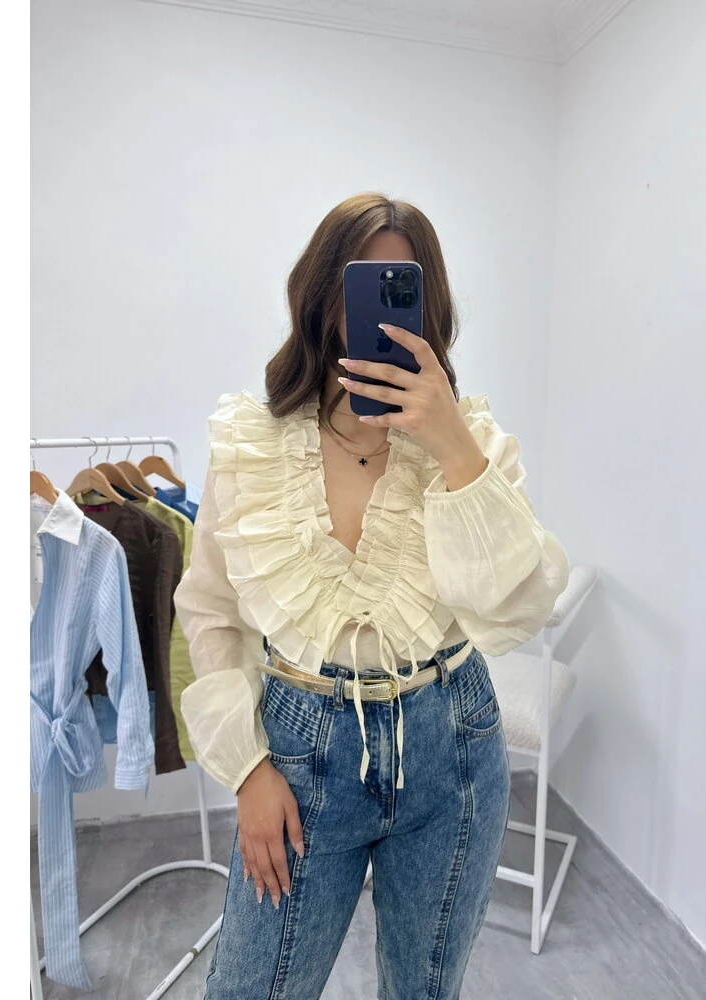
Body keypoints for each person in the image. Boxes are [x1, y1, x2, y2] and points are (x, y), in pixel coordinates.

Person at [174, 192, 570, 1000]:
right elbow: (211, 609)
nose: (376, 313)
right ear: (321, 295)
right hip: (300, 746)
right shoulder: (252, 444)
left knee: (425, 989)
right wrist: (246, 770)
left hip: (453, 739)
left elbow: (517, 609)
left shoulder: (472, 445)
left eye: (402, 288)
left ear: (430, 307)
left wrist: (451, 444)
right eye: (361, 285)